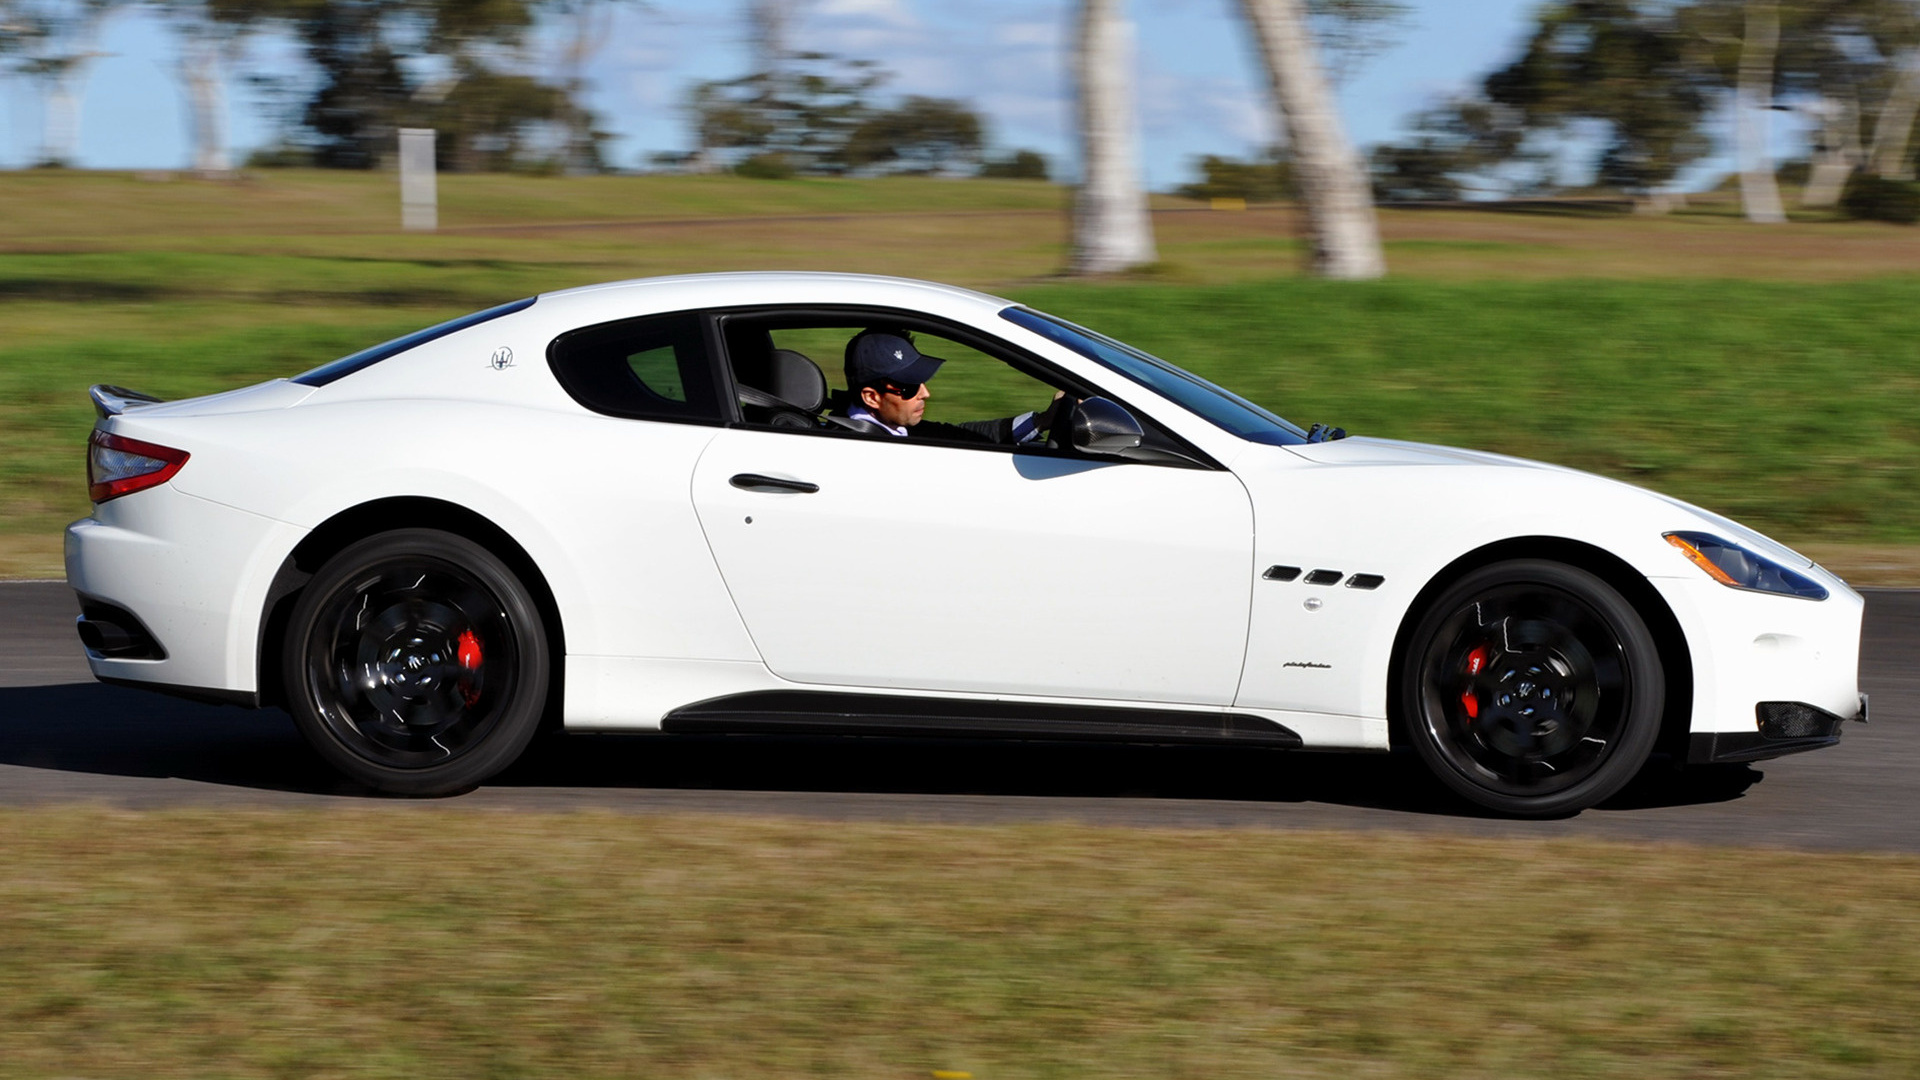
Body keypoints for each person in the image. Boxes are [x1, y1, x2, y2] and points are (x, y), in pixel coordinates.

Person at [835, 329, 1061, 444]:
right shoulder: (858, 446)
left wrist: (1042, 421)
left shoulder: (898, 427)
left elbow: (963, 435)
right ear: (871, 397)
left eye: (922, 382)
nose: (925, 393)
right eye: (909, 387)